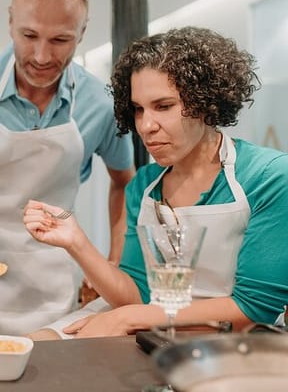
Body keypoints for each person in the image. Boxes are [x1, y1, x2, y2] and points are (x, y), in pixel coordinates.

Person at [23, 27, 288, 340]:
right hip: (147, 318)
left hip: (224, 337)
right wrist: (76, 242)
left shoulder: (268, 176)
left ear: (204, 102)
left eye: (163, 106)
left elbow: (254, 310)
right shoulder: (145, 185)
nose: (146, 126)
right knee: (36, 347)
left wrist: (130, 319)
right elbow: (135, 293)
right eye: (138, 109)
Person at [0, 0, 135, 335]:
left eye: (60, 40)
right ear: (10, 22)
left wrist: (114, 263)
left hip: (53, 294)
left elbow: (125, 183)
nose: (42, 56)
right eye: (29, 35)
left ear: (82, 33)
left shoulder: (102, 104)